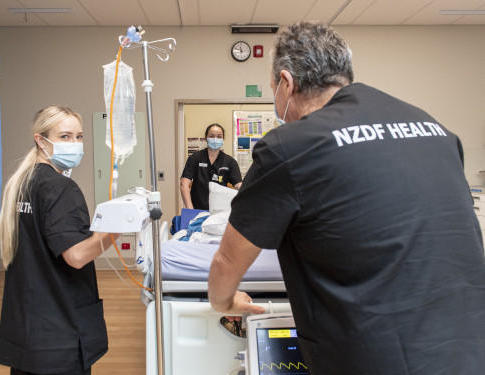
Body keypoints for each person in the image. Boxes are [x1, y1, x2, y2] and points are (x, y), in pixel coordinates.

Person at [208, 21, 485, 375]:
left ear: (286, 83)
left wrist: (224, 301)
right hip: (467, 346)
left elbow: (226, 262)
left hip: (374, 356)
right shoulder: (435, 130)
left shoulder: (288, 146)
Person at [0, 105, 120, 375]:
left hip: (28, 331)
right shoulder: (59, 187)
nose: (75, 144)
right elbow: (75, 255)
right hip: (58, 333)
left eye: (79, 136)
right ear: (41, 140)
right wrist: (115, 229)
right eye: (65, 136)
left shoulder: (23, 182)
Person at [180, 123, 242, 210]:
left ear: (223, 139)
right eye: (212, 136)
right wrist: (190, 209)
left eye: (219, 136)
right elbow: (184, 184)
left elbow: (239, 186)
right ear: (206, 138)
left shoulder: (230, 162)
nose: (215, 139)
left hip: (220, 211)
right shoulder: (195, 158)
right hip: (197, 209)